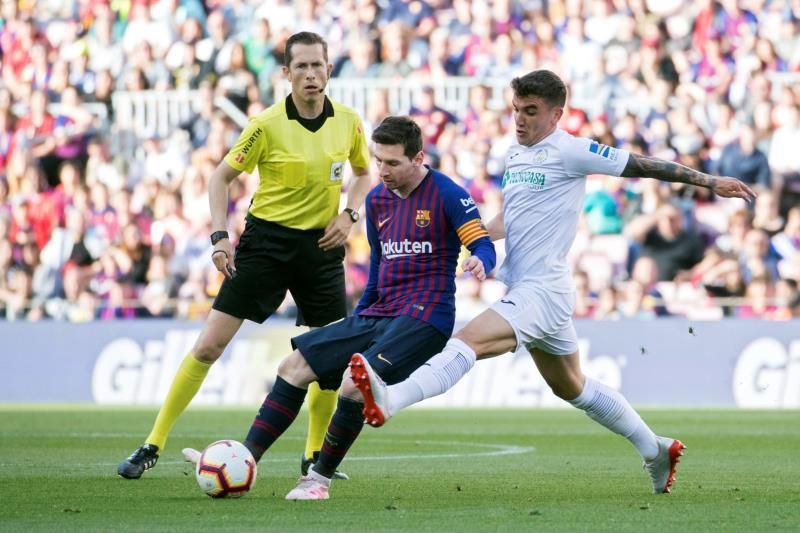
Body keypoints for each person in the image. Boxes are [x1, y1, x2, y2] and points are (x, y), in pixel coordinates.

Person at [351, 70, 756, 495]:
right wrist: (467, 237)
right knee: (573, 387)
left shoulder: (571, 150)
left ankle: (392, 399)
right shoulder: (514, 154)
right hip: (534, 289)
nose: (519, 120)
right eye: (515, 110)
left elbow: (640, 165)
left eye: (530, 112)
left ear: (556, 114)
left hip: (542, 289)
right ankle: (655, 449)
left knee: (467, 340)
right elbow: (510, 218)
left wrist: (709, 181)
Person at [183, 116, 495, 500]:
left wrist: (481, 260)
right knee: (292, 367)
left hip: (425, 316)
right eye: (378, 161)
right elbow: (379, 268)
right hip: (378, 313)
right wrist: (359, 317)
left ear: (418, 158)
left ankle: (318, 480)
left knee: (353, 381)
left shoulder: (448, 193)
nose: (383, 171)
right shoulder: (378, 200)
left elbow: (481, 242)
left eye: (393, 163)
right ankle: (243, 459)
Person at [117, 32, 372, 480]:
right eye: (302, 67)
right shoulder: (265, 124)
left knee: (329, 359)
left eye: (319, 65)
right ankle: (152, 443)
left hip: (321, 249)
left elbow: (364, 174)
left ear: (330, 69)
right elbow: (220, 179)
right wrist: (220, 236)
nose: (312, 74)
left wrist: (350, 214)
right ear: (286, 74)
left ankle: (313, 457)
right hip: (266, 245)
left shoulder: (348, 122)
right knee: (210, 344)